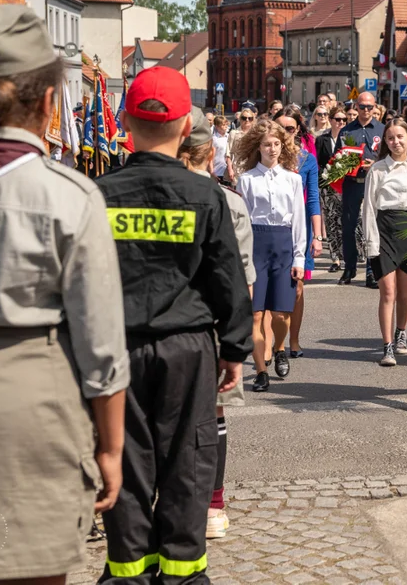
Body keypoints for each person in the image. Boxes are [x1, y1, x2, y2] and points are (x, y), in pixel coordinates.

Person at [0, 5, 128, 582]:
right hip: (36, 404)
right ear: (48, 101)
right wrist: (111, 449)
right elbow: (101, 346)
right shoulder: (72, 196)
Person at [97, 66, 252, 584]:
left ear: (125, 123)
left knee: (128, 460)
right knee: (187, 463)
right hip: (187, 349)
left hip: (118, 349)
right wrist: (233, 350)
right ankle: (184, 575)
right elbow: (228, 280)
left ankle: (126, 572)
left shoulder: (100, 193)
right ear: (187, 127)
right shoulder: (205, 196)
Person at [174, 109, 254, 541]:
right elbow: (243, 280)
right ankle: (212, 504)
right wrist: (237, 342)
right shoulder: (229, 202)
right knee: (214, 416)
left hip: (162, 327)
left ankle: (178, 502)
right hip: (213, 325)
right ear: (209, 155)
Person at [235, 119, 307, 392]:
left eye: (277, 144)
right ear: (258, 147)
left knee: (280, 313)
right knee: (255, 314)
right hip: (256, 244)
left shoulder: (293, 179)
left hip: (283, 243)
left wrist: (299, 259)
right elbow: (242, 221)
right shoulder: (247, 179)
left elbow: (299, 220)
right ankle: (261, 371)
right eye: (267, 144)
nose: (272, 149)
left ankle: (279, 348)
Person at [362, 118, 407, 366]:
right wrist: (370, 242)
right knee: (388, 292)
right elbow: (368, 207)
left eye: (400, 137)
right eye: (390, 138)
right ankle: (387, 346)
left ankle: (401, 333)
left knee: (405, 293)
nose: (396, 142)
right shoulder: (377, 170)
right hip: (383, 229)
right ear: (385, 142)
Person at [273, 107, 322, 368]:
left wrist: (317, 236)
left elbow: (313, 199)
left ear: (298, 131)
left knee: (297, 287)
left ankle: (294, 339)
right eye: (280, 128)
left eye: (290, 129)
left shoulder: (307, 160)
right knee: (271, 287)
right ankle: (275, 342)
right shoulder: (266, 156)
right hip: (270, 228)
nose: (285, 133)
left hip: (300, 227)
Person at [337, 91, 384, 287]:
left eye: (369, 107)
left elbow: (389, 158)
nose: (366, 110)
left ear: (375, 108)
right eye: (362, 106)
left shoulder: (383, 130)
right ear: (356, 107)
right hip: (352, 184)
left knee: (373, 228)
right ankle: (349, 268)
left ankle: (372, 272)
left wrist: (375, 163)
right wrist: (346, 164)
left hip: (374, 185)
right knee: (348, 227)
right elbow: (336, 159)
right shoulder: (346, 131)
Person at [316, 104, 348, 273]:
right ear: (331, 120)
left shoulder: (350, 138)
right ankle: (335, 258)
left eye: (344, 119)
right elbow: (318, 162)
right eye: (338, 119)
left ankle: (348, 254)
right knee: (331, 221)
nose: (341, 122)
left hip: (346, 187)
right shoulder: (322, 139)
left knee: (346, 221)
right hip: (328, 186)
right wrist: (328, 173)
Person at [226, 104, 257, 185]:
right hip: (237, 168)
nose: (247, 120)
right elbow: (228, 153)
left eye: (250, 118)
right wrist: (230, 169)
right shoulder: (233, 133)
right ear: (240, 119)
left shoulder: (256, 134)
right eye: (244, 118)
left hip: (253, 167)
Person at [212, 115, 230, 184]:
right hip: (217, 171)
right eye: (223, 125)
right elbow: (210, 157)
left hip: (227, 171)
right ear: (217, 127)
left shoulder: (229, 136)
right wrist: (212, 171)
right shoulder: (214, 139)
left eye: (226, 124)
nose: (226, 126)